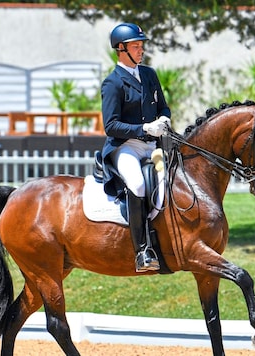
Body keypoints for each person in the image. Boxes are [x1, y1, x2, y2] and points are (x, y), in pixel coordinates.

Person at [100, 23, 171, 272]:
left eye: (141, 46)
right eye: (136, 46)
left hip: (152, 145)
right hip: (125, 147)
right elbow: (111, 126)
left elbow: (162, 106)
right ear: (121, 49)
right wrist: (143, 129)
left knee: (174, 181)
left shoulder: (149, 74)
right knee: (138, 184)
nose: (141, 50)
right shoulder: (113, 83)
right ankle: (142, 250)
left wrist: (164, 119)